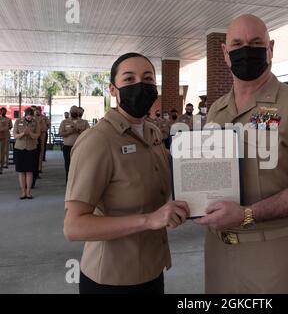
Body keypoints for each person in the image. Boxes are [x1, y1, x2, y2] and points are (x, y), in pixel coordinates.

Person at [194, 14, 288, 294]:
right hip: (218, 254)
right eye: (237, 44)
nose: (246, 50)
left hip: (274, 255)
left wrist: (247, 215)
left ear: (270, 49)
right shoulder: (216, 110)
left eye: (256, 42)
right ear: (225, 54)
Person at [63, 52, 190, 294]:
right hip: (113, 279)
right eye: (129, 79)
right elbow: (74, 227)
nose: (140, 86)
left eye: (147, 79)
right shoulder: (97, 140)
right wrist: (149, 220)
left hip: (152, 269)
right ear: (113, 89)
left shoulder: (152, 133)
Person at [13, 108, 41, 199]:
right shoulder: (18, 121)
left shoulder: (36, 122)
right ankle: (23, 192)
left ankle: (28, 192)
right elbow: (15, 135)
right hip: (20, 148)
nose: (29, 117)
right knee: (21, 171)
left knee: (29, 171)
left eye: (31, 116)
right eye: (28, 116)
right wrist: (23, 134)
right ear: (25, 115)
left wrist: (30, 133)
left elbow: (37, 135)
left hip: (31, 148)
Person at [59, 106, 90, 182]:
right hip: (67, 147)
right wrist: (69, 132)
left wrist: (79, 131)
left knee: (79, 165)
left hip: (80, 146)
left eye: (75, 111)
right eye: (72, 111)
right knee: (68, 164)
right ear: (70, 112)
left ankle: (78, 181)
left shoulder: (84, 122)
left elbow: (89, 133)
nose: (74, 112)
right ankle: (68, 181)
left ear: (78, 112)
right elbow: (60, 133)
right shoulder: (64, 122)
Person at [0, 107, 12, 172]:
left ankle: (5, 163)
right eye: (2, 111)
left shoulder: (8, 119)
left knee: (5, 150)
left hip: (6, 135)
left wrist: (5, 128)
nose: (3, 112)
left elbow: (10, 126)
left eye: (4, 111)